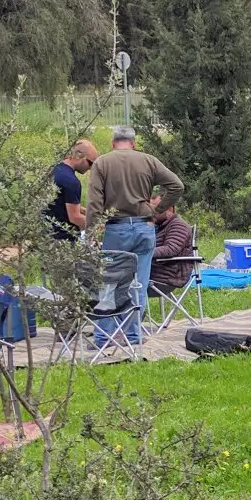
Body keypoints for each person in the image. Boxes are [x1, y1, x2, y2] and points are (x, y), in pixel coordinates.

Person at [84, 127, 183, 343]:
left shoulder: (102, 163)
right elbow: (177, 186)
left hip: (116, 229)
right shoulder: (148, 160)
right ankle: (133, 335)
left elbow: (94, 203)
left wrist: (91, 232)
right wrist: (157, 210)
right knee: (139, 282)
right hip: (144, 228)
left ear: (112, 143)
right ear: (134, 143)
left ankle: (103, 337)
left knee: (109, 282)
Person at [45, 139, 97, 240]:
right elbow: (75, 217)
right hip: (63, 239)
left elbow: (59, 202)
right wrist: (98, 225)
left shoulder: (53, 170)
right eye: (90, 163)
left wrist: (85, 211)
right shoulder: (71, 182)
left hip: (45, 234)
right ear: (82, 157)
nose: (90, 168)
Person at [149, 196, 198, 297]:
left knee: (123, 284)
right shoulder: (158, 225)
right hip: (151, 274)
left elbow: (170, 249)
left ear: (170, 208)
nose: (151, 213)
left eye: (155, 209)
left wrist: (142, 252)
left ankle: (132, 312)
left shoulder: (179, 226)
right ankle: (134, 311)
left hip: (166, 278)